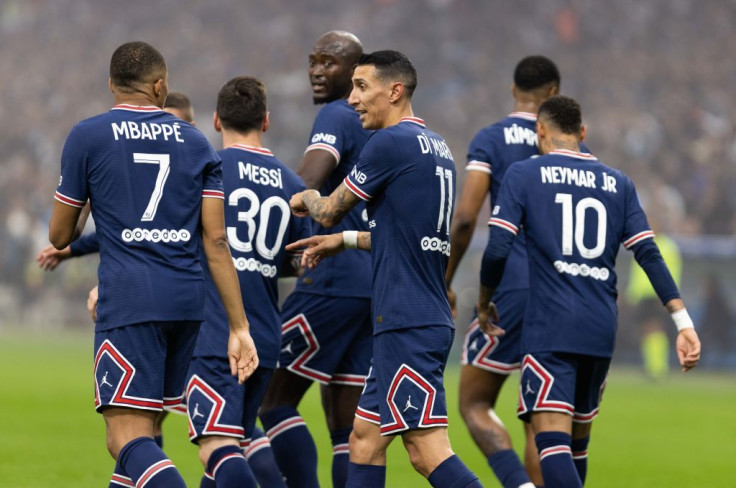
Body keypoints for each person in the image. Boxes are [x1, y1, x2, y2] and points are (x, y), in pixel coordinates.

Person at [48, 42, 257, 488]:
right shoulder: (198, 142)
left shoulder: (89, 135)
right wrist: (239, 327)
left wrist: (90, 198)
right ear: (160, 86)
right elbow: (216, 240)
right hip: (187, 303)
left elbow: (59, 236)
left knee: (124, 438)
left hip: (129, 300)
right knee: (143, 431)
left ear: (111, 84)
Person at [476, 95, 701, 487]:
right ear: (583, 132)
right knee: (577, 446)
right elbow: (648, 252)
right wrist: (682, 321)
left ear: (539, 132)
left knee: (551, 441)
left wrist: (483, 300)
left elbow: (498, 247)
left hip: (550, 324)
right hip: (600, 327)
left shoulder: (525, 175)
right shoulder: (620, 182)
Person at [287, 50, 482, 488]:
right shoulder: (437, 147)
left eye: (361, 87)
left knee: (427, 452)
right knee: (364, 441)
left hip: (407, 320)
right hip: (413, 316)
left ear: (395, 91)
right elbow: (408, 235)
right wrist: (348, 240)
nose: (352, 100)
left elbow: (328, 210)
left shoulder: (389, 143)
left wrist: (304, 197)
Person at [37, 90, 196, 451]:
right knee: (142, 429)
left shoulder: (192, 158)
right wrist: (72, 252)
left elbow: (204, 240)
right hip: (185, 300)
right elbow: (127, 227)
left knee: (137, 437)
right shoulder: (194, 153)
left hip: (154, 303)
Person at [184, 76, 310, 488]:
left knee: (215, 447)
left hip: (217, 331)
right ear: (266, 121)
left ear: (217, 121)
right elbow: (297, 260)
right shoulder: (292, 185)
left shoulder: (207, 170)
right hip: (265, 337)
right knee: (226, 450)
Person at [258, 30, 371, 488]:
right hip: (370, 282)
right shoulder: (377, 124)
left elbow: (306, 181)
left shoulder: (338, 114)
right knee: (344, 421)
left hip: (332, 277)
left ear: (356, 72)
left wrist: (259, 191)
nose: (317, 71)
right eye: (313, 61)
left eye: (330, 62)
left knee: (269, 399)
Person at [446, 55, 562, 488]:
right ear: (553, 94)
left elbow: (465, 219)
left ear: (514, 90)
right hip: (562, 294)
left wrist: (448, 278)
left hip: (510, 287)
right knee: (540, 416)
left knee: (474, 404)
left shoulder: (491, 139)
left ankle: (517, 484)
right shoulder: (573, 148)